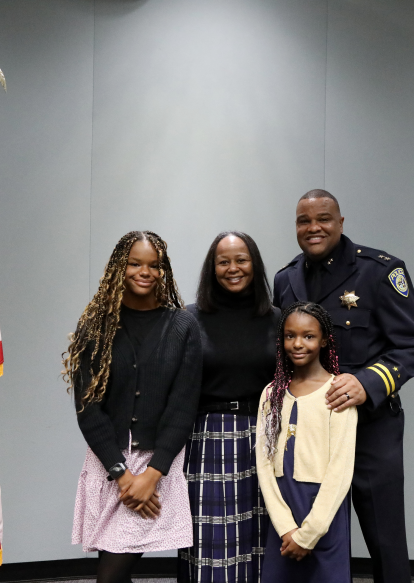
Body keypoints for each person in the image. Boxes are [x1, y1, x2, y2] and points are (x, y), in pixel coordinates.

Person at [272, 190, 414, 583]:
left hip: (369, 429)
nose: (313, 228)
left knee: (385, 540)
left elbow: (413, 346)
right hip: (309, 434)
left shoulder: (379, 271)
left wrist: (367, 382)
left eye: (323, 219)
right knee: (309, 534)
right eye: (303, 221)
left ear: (341, 223)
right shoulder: (285, 279)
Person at [65, 231, 202, 583]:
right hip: (110, 463)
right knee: (113, 571)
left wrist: (151, 476)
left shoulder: (182, 325)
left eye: (154, 265)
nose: (146, 272)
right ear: (118, 268)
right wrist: (123, 476)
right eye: (135, 263)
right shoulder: (95, 326)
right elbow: (88, 408)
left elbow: (183, 406)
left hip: (157, 464)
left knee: (110, 575)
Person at [180, 231, 281, 582]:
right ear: (212, 268)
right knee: (210, 543)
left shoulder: (277, 319)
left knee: (262, 537)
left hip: (268, 435)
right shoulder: (188, 319)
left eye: (242, 260)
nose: (233, 268)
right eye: (224, 261)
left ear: (254, 264)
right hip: (207, 437)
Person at [256, 302, 357, 583]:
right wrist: (286, 528)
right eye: (290, 336)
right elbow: (263, 464)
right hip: (282, 511)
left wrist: (309, 534)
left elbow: (340, 470)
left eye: (308, 336)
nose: (298, 344)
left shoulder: (338, 392)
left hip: (323, 513)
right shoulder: (271, 393)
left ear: (324, 340)